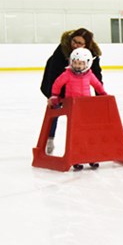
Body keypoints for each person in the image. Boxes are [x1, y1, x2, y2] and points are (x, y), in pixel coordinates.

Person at [40, 28, 103, 156]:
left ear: (87, 45)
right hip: (58, 78)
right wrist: (52, 96)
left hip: (77, 86)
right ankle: (50, 139)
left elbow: (96, 76)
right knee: (55, 108)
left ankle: (85, 144)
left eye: (80, 43)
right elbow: (53, 75)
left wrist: (100, 96)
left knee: (81, 116)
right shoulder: (63, 49)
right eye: (74, 41)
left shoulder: (92, 55)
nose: (75, 45)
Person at [49, 48, 107, 170]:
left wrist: (102, 93)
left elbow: (97, 84)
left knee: (89, 133)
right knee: (75, 135)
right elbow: (57, 84)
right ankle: (76, 158)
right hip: (73, 107)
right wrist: (55, 95)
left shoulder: (90, 75)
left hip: (86, 107)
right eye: (75, 62)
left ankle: (91, 157)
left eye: (80, 63)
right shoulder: (67, 74)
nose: (77, 66)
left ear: (87, 63)